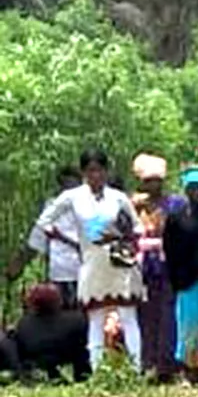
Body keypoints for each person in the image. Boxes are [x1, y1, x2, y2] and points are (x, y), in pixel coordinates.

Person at [69, 149, 143, 373]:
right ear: (83, 173)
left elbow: (138, 226)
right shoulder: (75, 199)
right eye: (90, 171)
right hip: (92, 264)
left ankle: (136, 369)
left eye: (99, 170)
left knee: (128, 315)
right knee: (96, 317)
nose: (96, 176)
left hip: (120, 262)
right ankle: (98, 370)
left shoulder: (119, 199)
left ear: (106, 172)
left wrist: (120, 236)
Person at [128, 155, 185, 383]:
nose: (153, 185)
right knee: (145, 314)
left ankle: (167, 364)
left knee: (168, 314)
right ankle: (146, 362)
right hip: (142, 267)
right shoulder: (133, 205)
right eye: (148, 180)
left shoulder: (175, 204)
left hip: (168, 265)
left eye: (157, 180)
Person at [165, 176, 198, 383]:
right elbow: (169, 248)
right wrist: (174, 278)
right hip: (185, 279)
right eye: (193, 188)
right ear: (186, 190)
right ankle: (192, 371)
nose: (197, 193)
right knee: (188, 323)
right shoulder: (176, 217)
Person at [21, 166, 83, 307]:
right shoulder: (52, 207)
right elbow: (36, 241)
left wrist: (61, 237)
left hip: (84, 275)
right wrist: (18, 264)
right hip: (58, 274)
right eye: (65, 185)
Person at [8, 283, 88, 384]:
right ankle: (83, 378)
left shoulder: (24, 324)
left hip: (37, 371)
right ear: (59, 300)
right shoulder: (76, 320)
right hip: (67, 363)